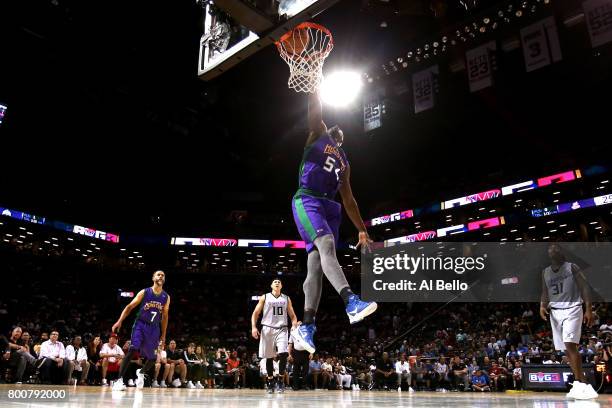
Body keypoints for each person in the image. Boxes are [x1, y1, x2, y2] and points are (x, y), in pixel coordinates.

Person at [291, 90, 377, 354]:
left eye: (341, 135)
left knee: (316, 264)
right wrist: (314, 86)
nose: (338, 134)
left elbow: (349, 199)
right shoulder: (318, 133)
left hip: (330, 207)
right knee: (326, 244)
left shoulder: (344, 162)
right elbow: (314, 111)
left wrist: (362, 230)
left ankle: (306, 326)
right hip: (308, 200)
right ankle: (351, 301)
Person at [540, 244, 597, 399]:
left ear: (561, 252)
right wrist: (542, 306)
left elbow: (585, 287)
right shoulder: (545, 272)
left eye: (555, 249)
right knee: (565, 350)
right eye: (549, 249)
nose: (552, 251)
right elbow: (545, 292)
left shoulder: (572, 267)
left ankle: (582, 383)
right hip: (555, 312)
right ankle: (581, 382)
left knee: (570, 345)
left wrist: (589, 309)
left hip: (572, 309)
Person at [111, 270, 170, 391]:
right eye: (158, 274)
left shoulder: (166, 297)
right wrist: (119, 321)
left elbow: (165, 317)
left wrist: (163, 335)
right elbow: (129, 307)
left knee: (153, 358)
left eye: (163, 275)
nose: (161, 276)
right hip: (140, 325)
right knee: (133, 349)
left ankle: (141, 372)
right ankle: (119, 380)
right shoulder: (145, 292)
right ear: (153, 277)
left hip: (154, 329)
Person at [251, 279, 298, 393]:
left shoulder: (286, 298)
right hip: (267, 328)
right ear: (271, 285)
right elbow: (255, 313)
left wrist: (294, 325)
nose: (277, 283)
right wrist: (253, 327)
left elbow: (293, 315)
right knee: (269, 357)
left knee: (283, 354)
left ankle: (281, 380)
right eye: (274, 282)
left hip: (282, 328)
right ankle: (270, 381)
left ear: (281, 285)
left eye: (279, 282)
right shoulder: (265, 297)